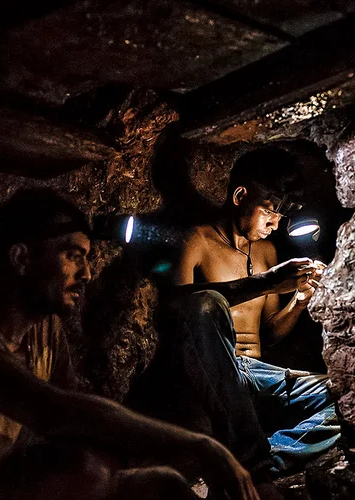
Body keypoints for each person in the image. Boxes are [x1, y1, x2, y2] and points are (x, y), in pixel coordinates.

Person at [0, 189, 260, 500]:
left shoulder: (44, 333)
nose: (87, 273)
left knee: (155, 482)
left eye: (87, 259)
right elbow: (52, 410)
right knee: (84, 470)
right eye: (73, 256)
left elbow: (80, 417)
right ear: (21, 258)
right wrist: (201, 445)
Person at [140, 148, 340, 486]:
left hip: (258, 373)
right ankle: (250, 452)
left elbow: (272, 333)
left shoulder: (267, 252)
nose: (274, 224)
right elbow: (177, 310)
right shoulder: (198, 241)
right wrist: (265, 282)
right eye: (268, 212)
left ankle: (266, 460)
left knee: (342, 398)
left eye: (280, 217)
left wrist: (300, 299)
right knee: (204, 303)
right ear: (240, 195)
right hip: (210, 371)